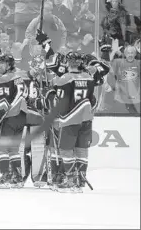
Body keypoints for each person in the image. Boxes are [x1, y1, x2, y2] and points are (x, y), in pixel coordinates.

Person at [0, 55, 43, 189]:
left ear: (8, 65)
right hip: (21, 117)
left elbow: (4, 101)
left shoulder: (4, 79)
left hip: (10, 116)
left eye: (1, 64)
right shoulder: (18, 76)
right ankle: (17, 177)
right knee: (13, 148)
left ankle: (6, 175)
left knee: (1, 146)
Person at [45, 52, 96, 193]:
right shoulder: (89, 77)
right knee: (82, 150)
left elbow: (59, 102)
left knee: (66, 150)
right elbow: (92, 100)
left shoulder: (64, 79)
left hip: (70, 119)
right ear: (79, 62)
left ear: (67, 62)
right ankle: (80, 180)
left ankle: (71, 179)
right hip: (86, 119)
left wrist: (49, 94)